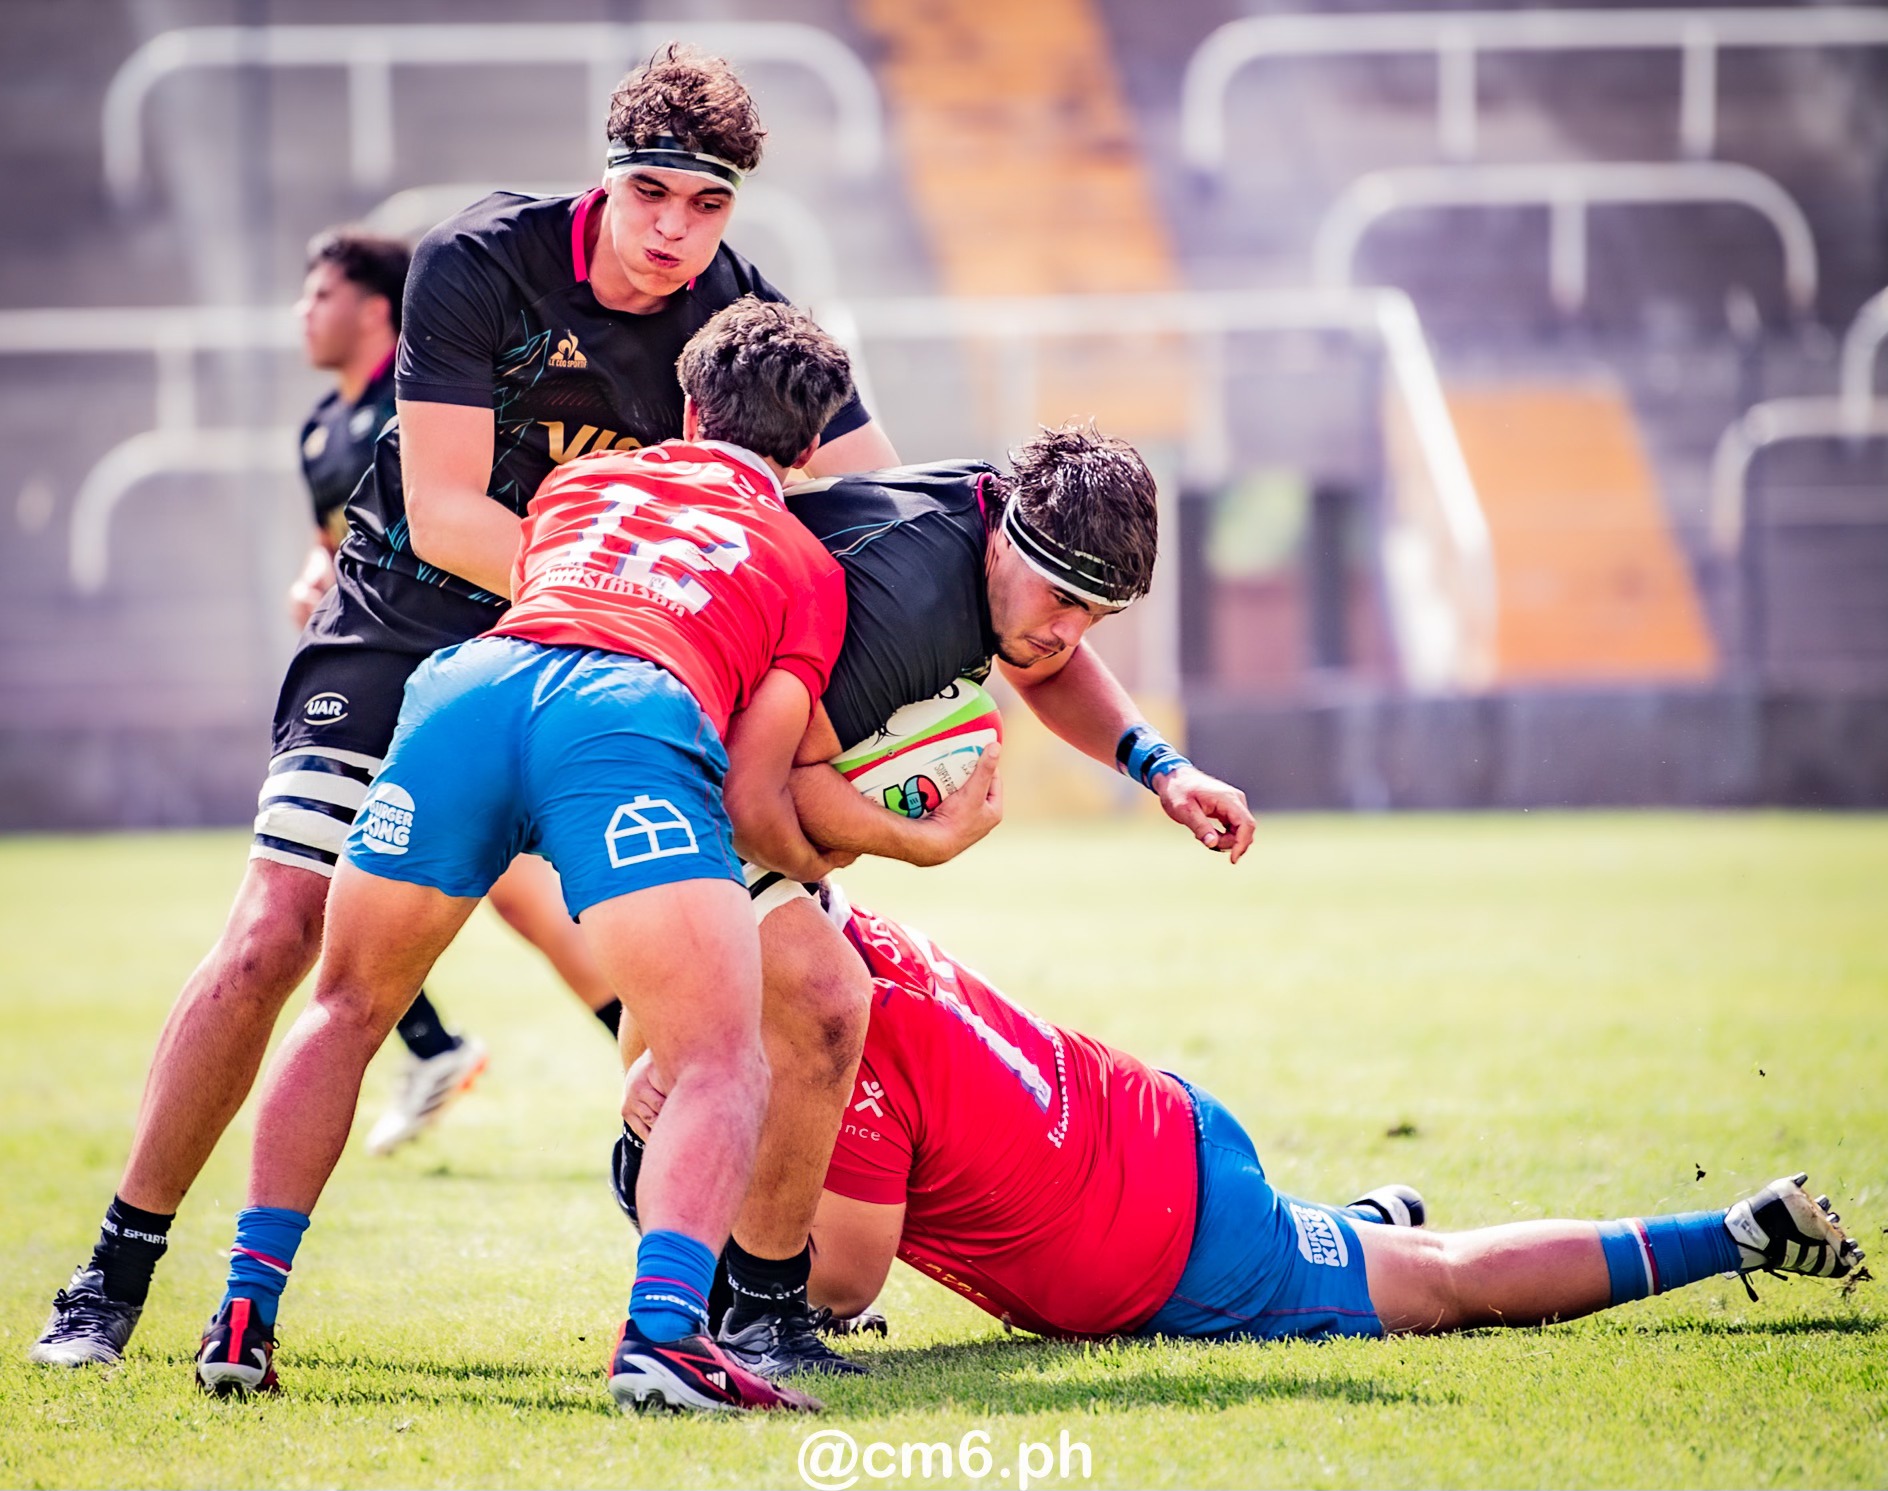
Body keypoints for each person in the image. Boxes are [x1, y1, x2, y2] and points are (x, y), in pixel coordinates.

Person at [29, 43, 895, 1371]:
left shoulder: (735, 312)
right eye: (653, 193)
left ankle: (760, 1313)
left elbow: (873, 498)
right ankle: (115, 1268)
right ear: (608, 176)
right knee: (276, 935)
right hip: (411, 623)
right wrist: (643, 590)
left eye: (707, 207)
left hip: (608, 659)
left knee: (820, 984)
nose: (675, 232)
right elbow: (442, 512)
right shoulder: (481, 258)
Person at [194, 297, 852, 1415]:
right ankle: (665, 1339)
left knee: (348, 1007)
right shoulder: (805, 558)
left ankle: (245, 1307)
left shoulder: (577, 485)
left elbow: (565, 593)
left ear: (689, 408)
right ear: (806, 452)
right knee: (718, 1058)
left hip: (466, 687)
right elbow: (752, 786)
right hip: (628, 714)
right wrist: (847, 854)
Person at [614, 430, 1261, 1380]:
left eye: (1097, 614)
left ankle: (685, 1171)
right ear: (1005, 541)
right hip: (662, 771)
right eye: (1062, 600)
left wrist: (1160, 767)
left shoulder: (992, 531)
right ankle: (755, 1309)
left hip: (677, 752)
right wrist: (916, 840)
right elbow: (769, 794)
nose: (1068, 632)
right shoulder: (910, 605)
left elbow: (1044, 662)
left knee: (793, 986)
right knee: (830, 999)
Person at [620, 892, 1867, 1347]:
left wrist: (664, 1149)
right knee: (1362, 1245)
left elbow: (831, 1290)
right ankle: (1353, 1220)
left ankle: (1738, 1233)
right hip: (1156, 1129)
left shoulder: (841, 1077)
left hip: (1170, 1240)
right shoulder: (843, 937)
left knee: (1436, 1286)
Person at [286, 226, 490, 1156]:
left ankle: (441, 1044)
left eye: (320, 293)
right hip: (374, 678)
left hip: (451, 673)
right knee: (341, 873)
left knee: (547, 900)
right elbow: (344, 543)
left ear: (374, 309)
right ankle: (437, 1043)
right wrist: (312, 578)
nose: (303, 311)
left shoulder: (420, 408)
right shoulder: (319, 430)